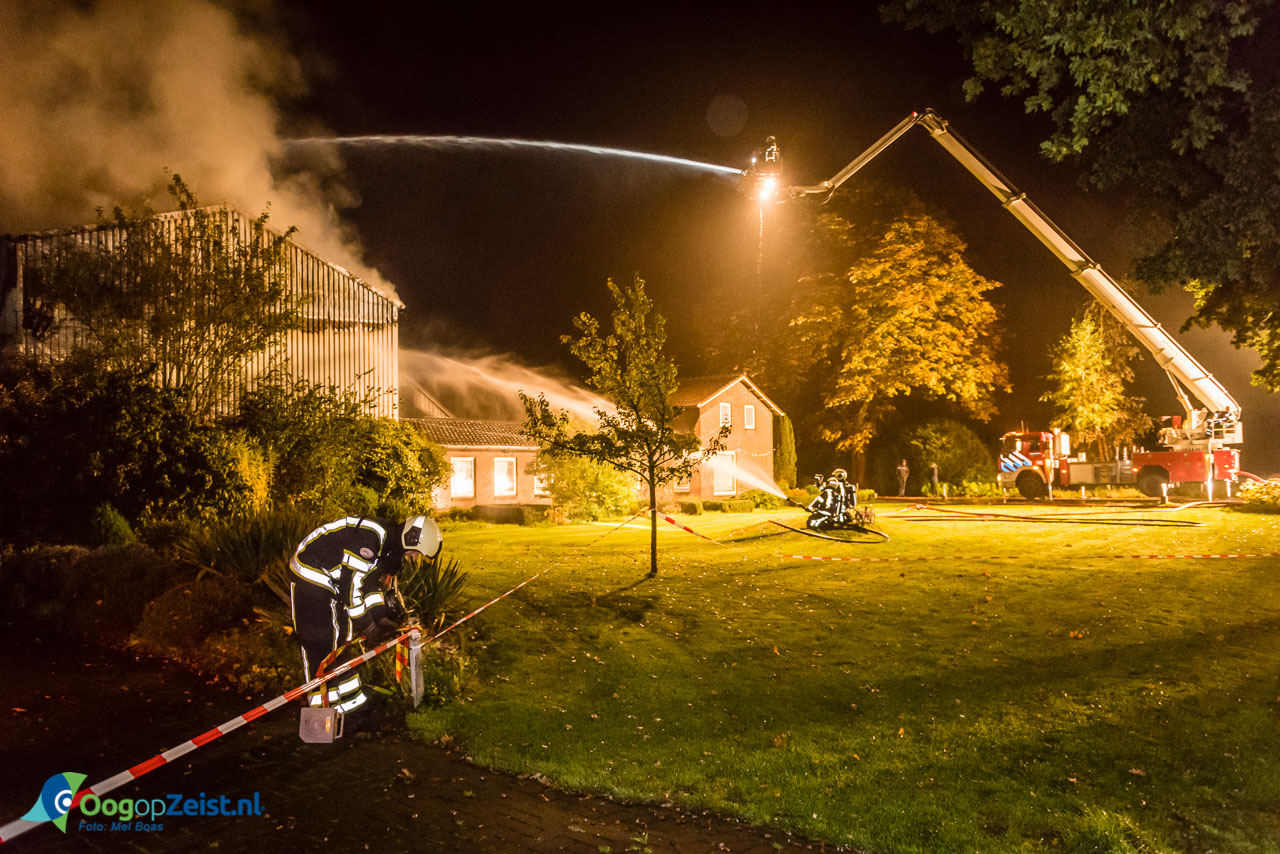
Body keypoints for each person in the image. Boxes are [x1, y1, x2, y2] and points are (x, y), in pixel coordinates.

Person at [289, 514, 442, 723]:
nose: (414, 558)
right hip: (312, 574)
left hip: (334, 582)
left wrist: (379, 617)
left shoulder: (388, 548)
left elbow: (368, 585)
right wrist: (367, 625)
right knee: (322, 641)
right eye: (416, 553)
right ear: (410, 538)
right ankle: (321, 719)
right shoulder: (371, 538)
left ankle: (349, 708)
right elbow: (350, 589)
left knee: (343, 640)